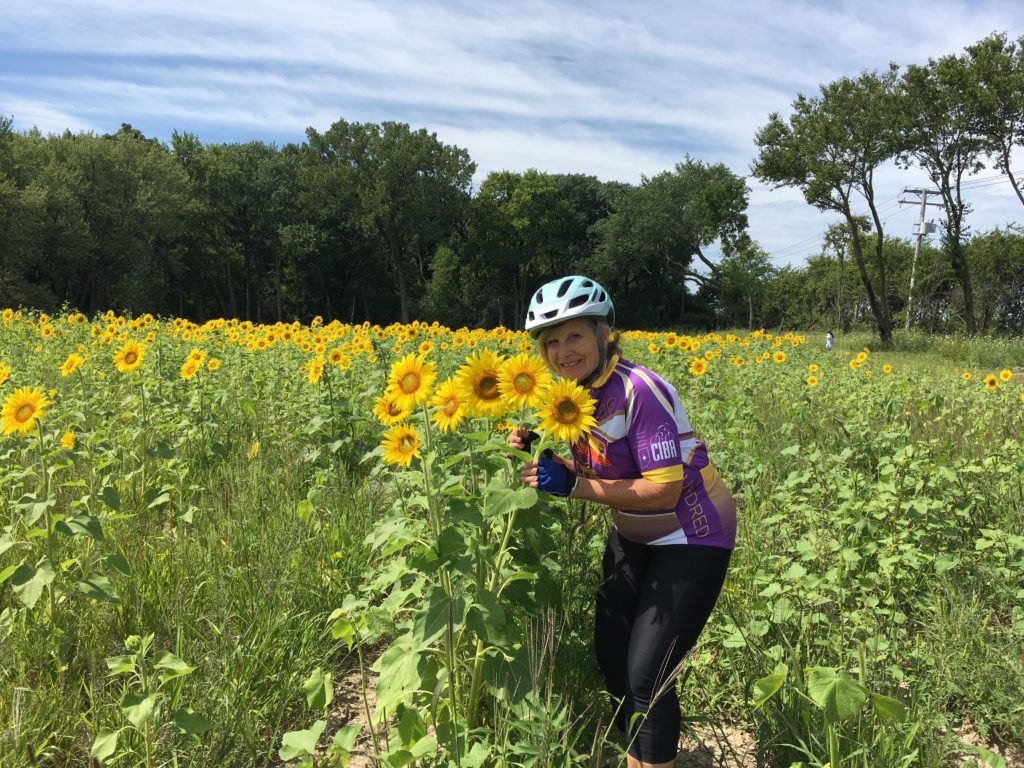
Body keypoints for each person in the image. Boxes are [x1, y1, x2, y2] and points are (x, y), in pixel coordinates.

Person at [509, 275, 736, 768]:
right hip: (632, 531)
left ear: (605, 332)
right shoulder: (571, 394)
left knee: (647, 675)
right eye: (552, 341)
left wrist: (571, 487)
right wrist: (543, 453)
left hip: (692, 534)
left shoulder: (639, 391)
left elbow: (663, 488)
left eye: (574, 335)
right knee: (612, 658)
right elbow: (604, 463)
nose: (562, 351)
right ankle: (642, 755)